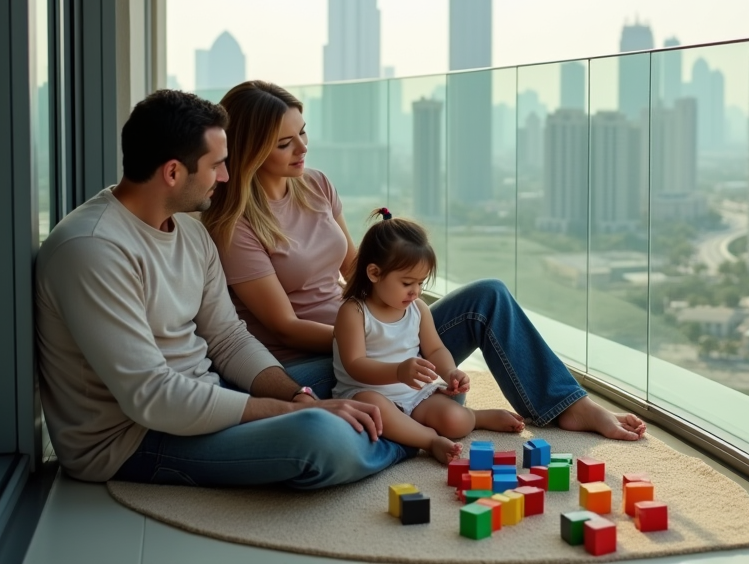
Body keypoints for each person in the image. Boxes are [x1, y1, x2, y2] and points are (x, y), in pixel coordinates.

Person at [203, 81, 646, 446]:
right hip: (315, 363)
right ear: (252, 149)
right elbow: (282, 325)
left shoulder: (316, 185)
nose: (302, 147)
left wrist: (401, 320)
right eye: (285, 142)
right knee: (381, 406)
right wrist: (370, 340)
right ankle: (418, 432)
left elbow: (358, 272)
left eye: (303, 132)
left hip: (374, 336)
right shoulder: (234, 225)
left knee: (486, 297)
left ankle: (568, 406)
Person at [35, 90, 399, 488]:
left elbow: (227, 339)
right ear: (173, 172)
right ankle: (405, 438)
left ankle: (399, 421)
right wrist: (288, 413)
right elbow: (152, 395)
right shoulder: (92, 249)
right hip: (134, 438)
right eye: (217, 165)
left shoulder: (189, 230)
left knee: (378, 372)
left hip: (209, 394)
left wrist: (299, 397)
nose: (226, 177)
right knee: (318, 437)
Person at [333, 210, 524, 463]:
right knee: (376, 410)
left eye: (421, 283)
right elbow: (355, 365)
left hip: (413, 393)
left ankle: (476, 417)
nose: (415, 292)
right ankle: (428, 440)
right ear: (374, 273)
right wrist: (398, 372)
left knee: (454, 420)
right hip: (365, 391)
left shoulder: (417, 309)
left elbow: (435, 350)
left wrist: (449, 372)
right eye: (407, 283)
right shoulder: (354, 311)